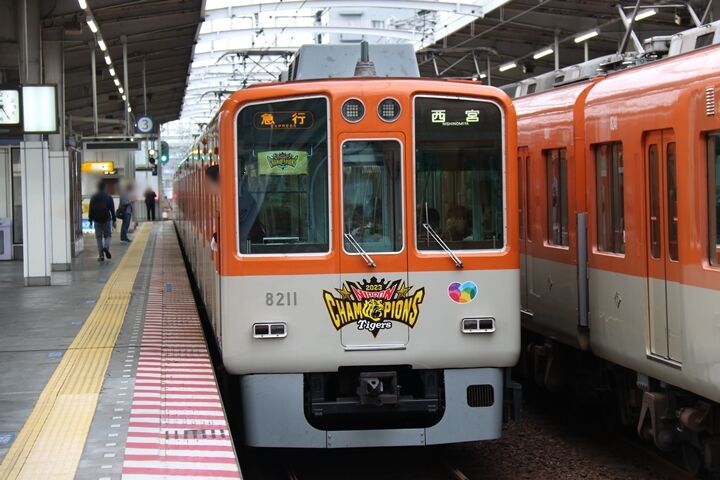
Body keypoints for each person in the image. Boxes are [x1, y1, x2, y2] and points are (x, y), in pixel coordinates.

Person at [88, 181, 116, 262]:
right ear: (105, 188)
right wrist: (114, 220)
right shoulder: (108, 196)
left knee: (99, 238)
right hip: (106, 219)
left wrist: (90, 220)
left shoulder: (93, 197)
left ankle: (101, 256)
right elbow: (112, 209)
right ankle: (106, 248)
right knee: (108, 236)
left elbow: (91, 209)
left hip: (97, 220)